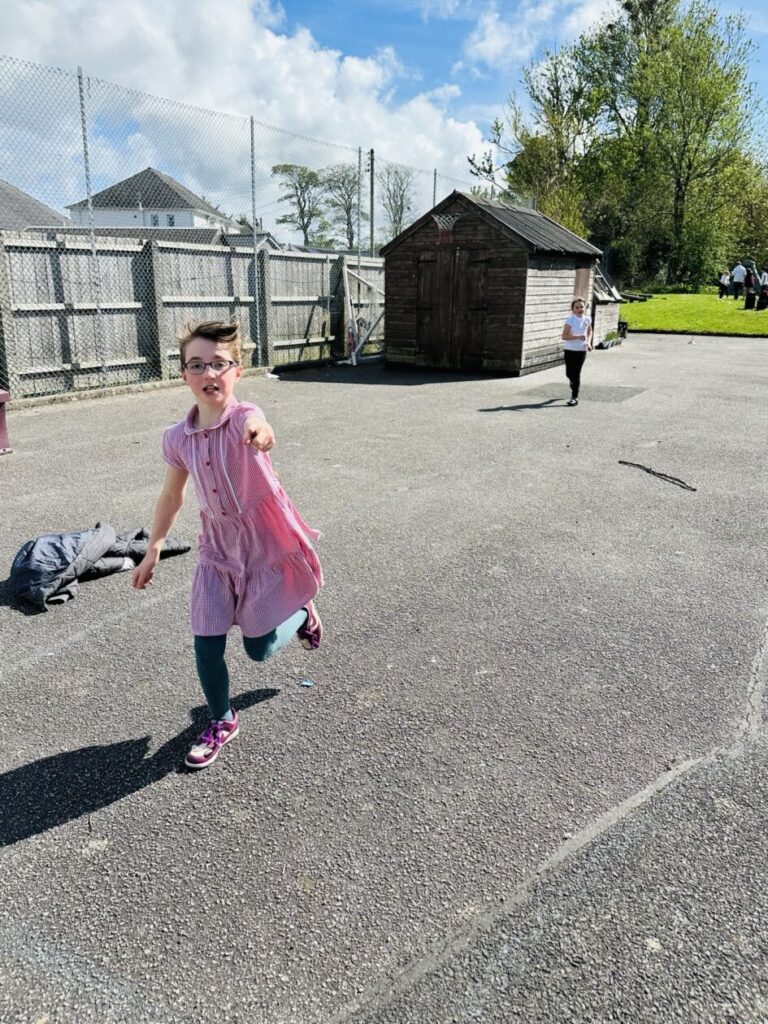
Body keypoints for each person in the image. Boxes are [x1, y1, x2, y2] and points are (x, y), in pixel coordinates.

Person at [132, 320, 323, 770]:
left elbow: (260, 424)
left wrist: (262, 432)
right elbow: (172, 495)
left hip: (262, 544)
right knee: (206, 642)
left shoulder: (243, 417)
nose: (209, 373)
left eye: (219, 363)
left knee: (258, 649)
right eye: (197, 365)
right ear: (184, 375)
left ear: (237, 371)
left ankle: (301, 614)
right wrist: (153, 547)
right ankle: (222, 718)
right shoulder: (177, 439)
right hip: (216, 549)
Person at [561, 296, 593, 406]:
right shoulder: (570, 320)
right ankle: (572, 382)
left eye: (582, 307)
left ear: (585, 308)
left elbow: (589, 331)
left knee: (576, 373)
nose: (580, 309)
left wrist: (588, 342)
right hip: (570, 350)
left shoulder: (587, 319)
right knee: (569, 373)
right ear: (573, 309)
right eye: (577, 307)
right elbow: (564, 336)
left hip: (581, 350)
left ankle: (574, 397)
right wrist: (577, 337)